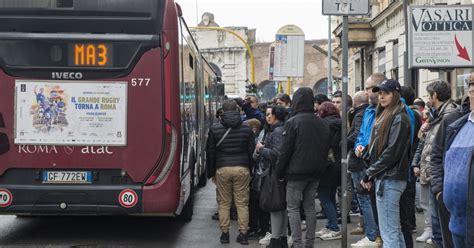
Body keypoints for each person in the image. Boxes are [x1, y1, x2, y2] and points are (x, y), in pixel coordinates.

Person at [276, 87, 331, 248]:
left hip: (295, 173)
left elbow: (285, 151)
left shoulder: (293, 122)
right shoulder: (322, 122)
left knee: (292, 208)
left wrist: (280, 172)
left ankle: (297, 243)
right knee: (310, 208)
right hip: (315, 172)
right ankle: (309, 243)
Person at [361, 79, 412, 247]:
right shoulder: (387, 115)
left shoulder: (398, 117)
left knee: (389, 233)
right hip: (388, 177)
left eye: (386, 93)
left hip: (390, 178)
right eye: (380, 93)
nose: (381, 96)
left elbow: (392, 152)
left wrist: (370, 173)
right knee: (393, 231)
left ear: (395, 94)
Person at [411, 80, 458, 245]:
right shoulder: (437, 115)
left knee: (441, 226)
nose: (427, 99)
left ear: (435, 95)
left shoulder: (449, 115)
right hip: (433, 175)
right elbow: (426, 144)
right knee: (436, 223)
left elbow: (442, 149)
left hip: (439, 176)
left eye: (428, 95)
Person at [206, 99, 255, 245]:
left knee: (224, 203)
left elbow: (210, 153)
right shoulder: (246, 128)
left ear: (223, 111)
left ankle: (225, 234)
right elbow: (251, 151)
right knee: (242, 203)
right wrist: (250, 170)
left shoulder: (215, 129)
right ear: (237, 110)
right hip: (242, 169)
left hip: (222, 169)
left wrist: (211, 172)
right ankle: (243, 234)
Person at [431, 77, 472, 248]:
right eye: (472, 90)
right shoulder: (456, 123)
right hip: (454, 221)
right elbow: (437, 156)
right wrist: (439, 190)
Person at [351, 73, 387, 247]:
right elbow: (362, 135)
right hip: (366, 162)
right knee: (369, 200)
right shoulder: (368, 111)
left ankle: (376, 236)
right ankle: (375, 236)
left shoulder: (394, 111)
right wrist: (359, 145)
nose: (366, 93)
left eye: (369, 88)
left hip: (383, 166)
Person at [255, 105, 288, 248]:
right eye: (266, 114)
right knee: (281, 206)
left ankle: (276, 240)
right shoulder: (277, 130)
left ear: (276, 116)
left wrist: (261, 149)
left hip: (276, 173)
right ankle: (281, 238)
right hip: (277, 173)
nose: (267, 117)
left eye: (270, 114)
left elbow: (276, 154)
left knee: (276, 205)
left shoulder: (277, 131)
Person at [314, 102, 342, 241]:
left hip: (326, 165)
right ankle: (331, 225)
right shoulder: (341, 123)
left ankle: (334, 228)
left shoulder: (322, 124)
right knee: (330, 196)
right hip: (337, 164)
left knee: (324, 197)